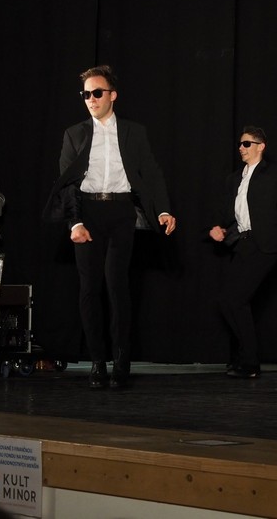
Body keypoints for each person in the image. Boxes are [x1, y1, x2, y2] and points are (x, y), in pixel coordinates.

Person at [42, 65, 176, 390]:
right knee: (89, 289)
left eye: (97, 92)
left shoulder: (133, 132)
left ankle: (121, 360)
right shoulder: (74, 134)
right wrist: (75, 222)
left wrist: (163, 210)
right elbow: (68, 183)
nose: (91, 99)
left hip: (120, 212)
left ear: (112, 95)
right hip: (87, 213)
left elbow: (151, 173)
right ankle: (97, 362)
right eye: (86, 94)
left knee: (117, 286)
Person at [209, 126, 277, 378]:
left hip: (265, 246)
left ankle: (249, 362)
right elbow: (228, 213)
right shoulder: (234, 179)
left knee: (236, 300)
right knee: (227, 301)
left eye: (247, 143)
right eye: (240, 144)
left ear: (261, 146)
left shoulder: (272, 172)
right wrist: (217, 228)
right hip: (243, 244)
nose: (241, 148)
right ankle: (243, 357)